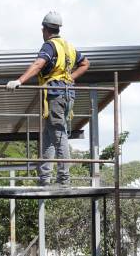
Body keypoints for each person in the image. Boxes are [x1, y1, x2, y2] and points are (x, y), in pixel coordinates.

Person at [6, 11, 90, 187]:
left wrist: (19, 81)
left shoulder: (50, 46)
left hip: (56, 94)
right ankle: (45, 179)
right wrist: (70, 78)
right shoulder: (68, 46)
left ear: (44, 29)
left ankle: (63, 180)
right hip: (67, 93)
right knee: (49, 135)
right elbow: (85, 63)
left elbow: (38, 64)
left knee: (59, 134)